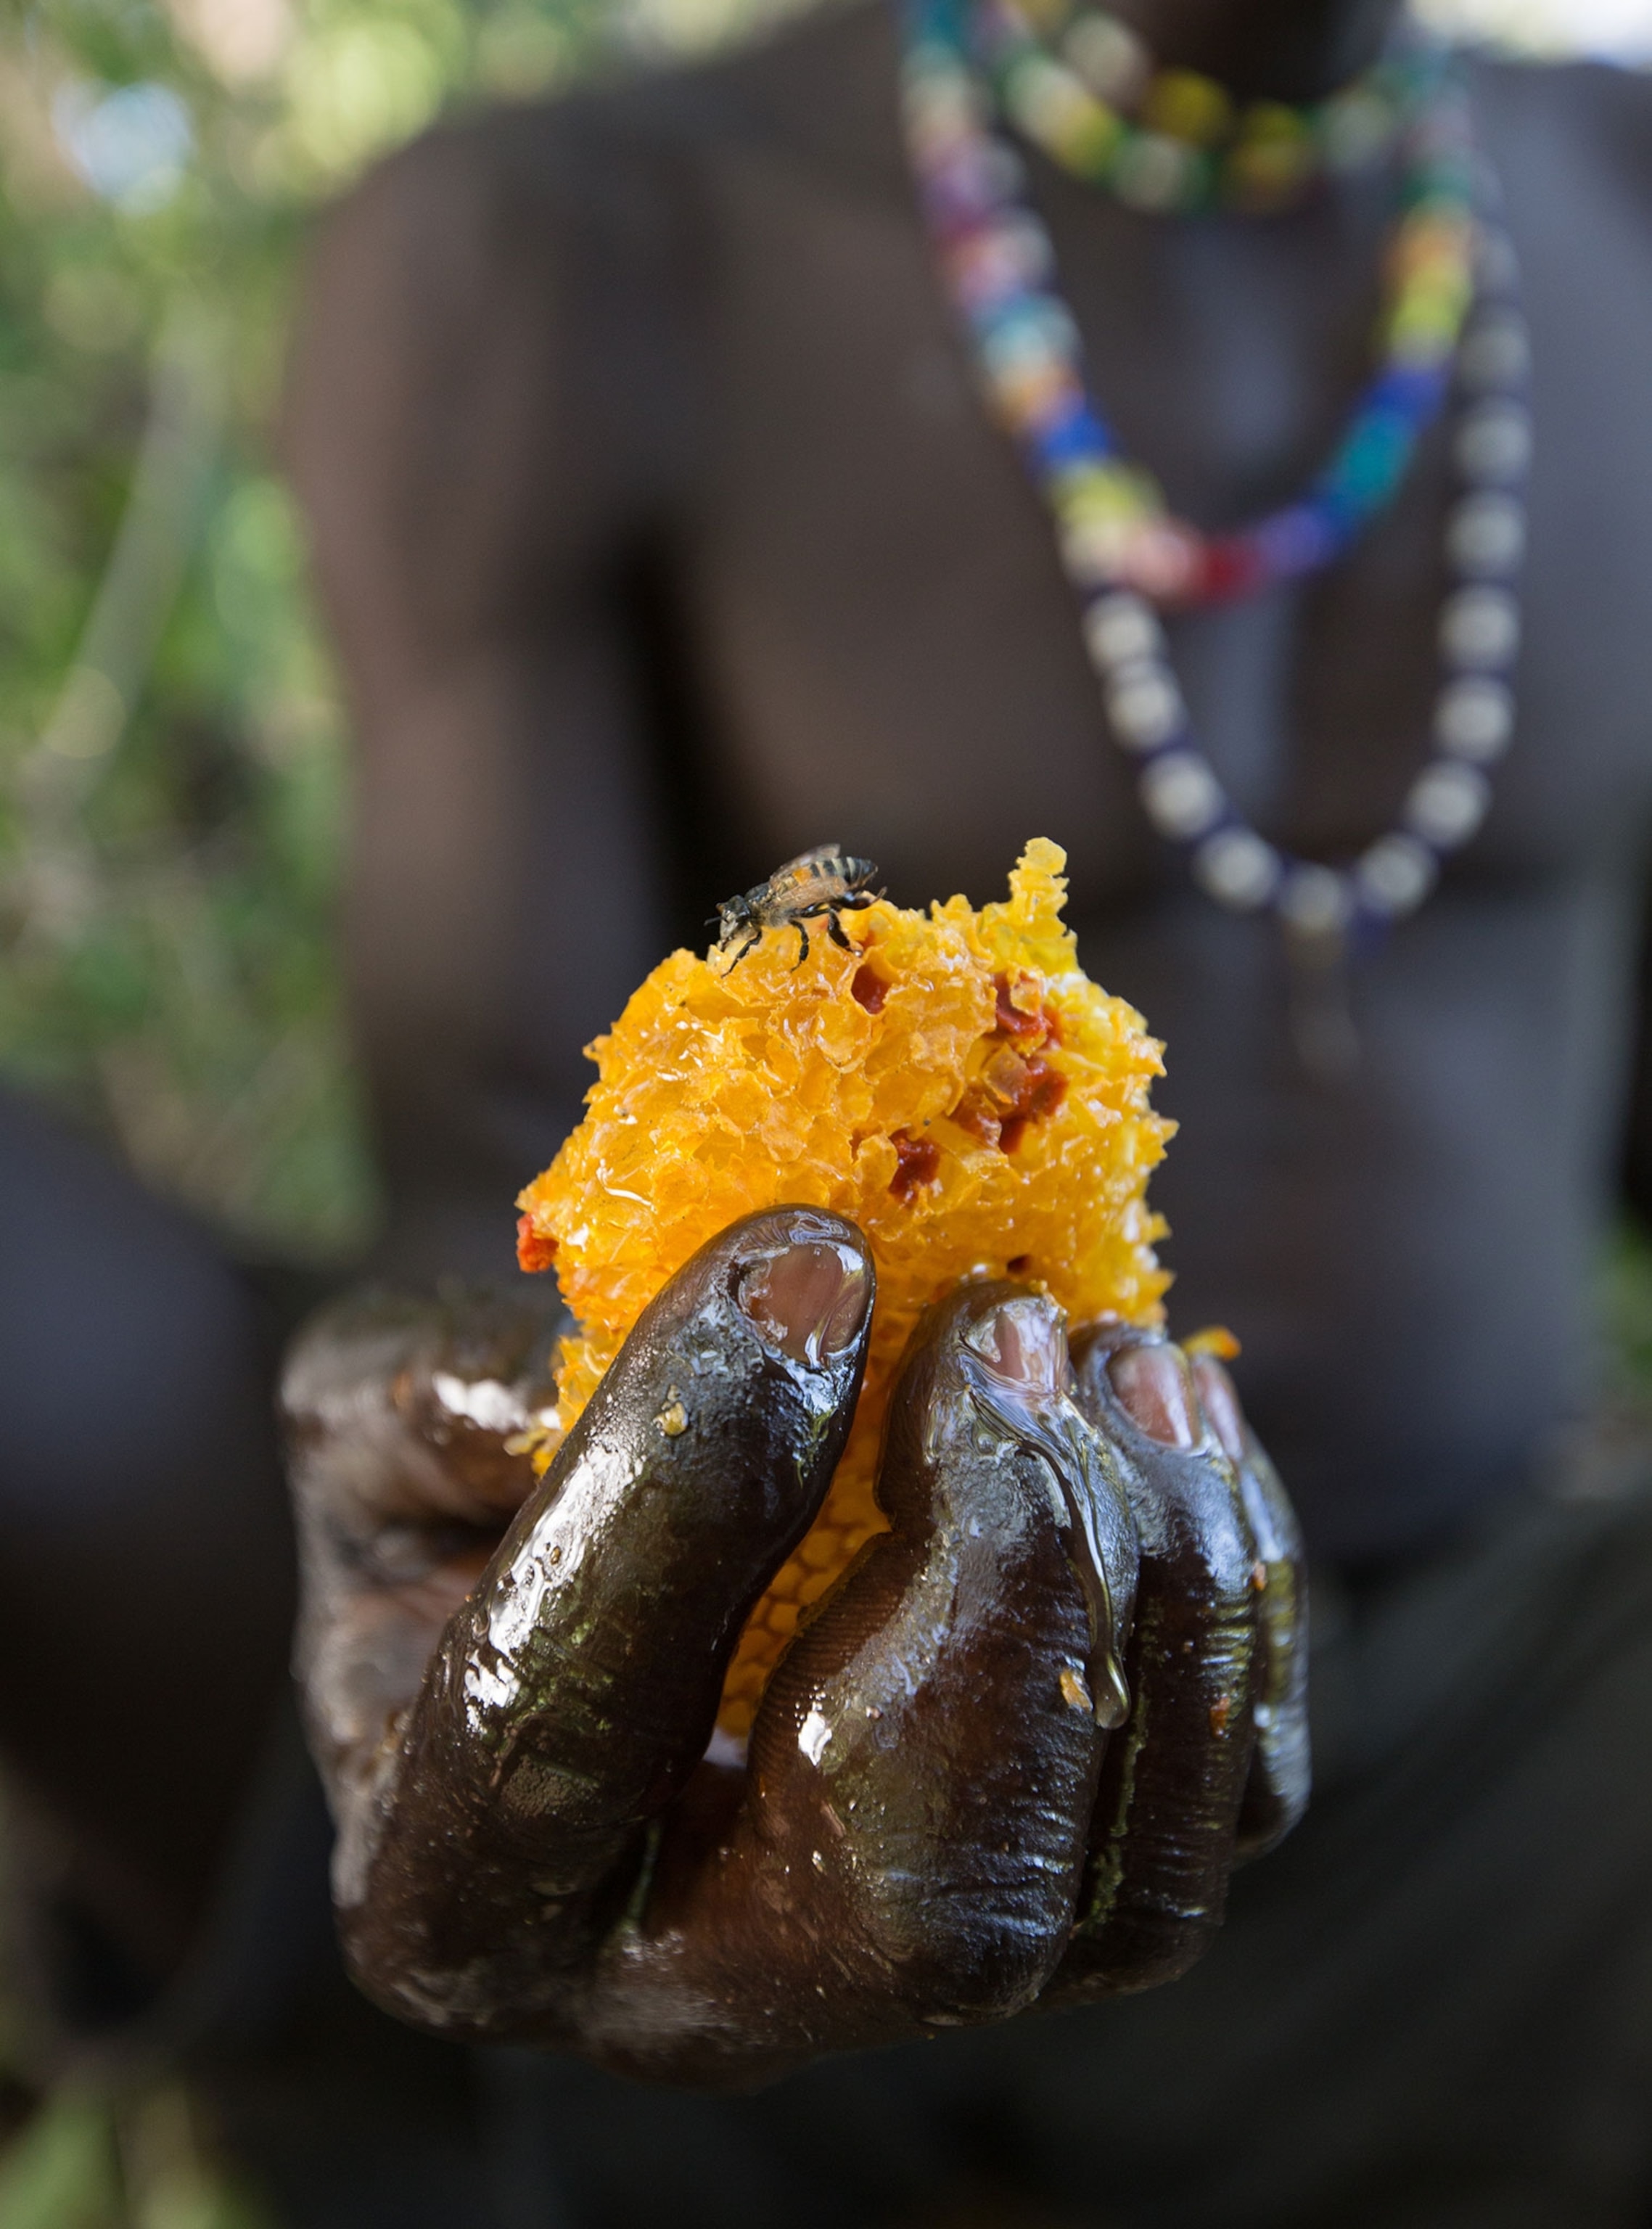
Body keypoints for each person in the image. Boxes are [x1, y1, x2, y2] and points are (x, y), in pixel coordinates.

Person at [7, 0, 1652, 2217]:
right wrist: (505, 1568)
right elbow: (493, 1209)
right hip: (744, 1737)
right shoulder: (573, 247)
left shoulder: (1626, 218)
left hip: (1500, 1775)